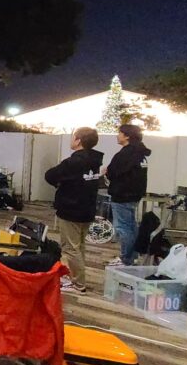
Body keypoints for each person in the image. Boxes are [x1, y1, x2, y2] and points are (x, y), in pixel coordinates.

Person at [45, 127, 103, 295]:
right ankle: (76, 277)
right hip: (87, 209)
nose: (72, 140)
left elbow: (50, 175)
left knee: (70, 248)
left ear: (78, 141)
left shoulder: (73, 162)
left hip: (71, 209)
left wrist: (60, 183)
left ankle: (78, 284)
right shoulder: (95, 160)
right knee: (79, 246)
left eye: (73, 137)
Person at [104, 124, 151, 267]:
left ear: (127, 136)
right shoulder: (140, 154)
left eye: (120, 133)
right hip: (134, 195)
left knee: (123, 228)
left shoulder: (125, 154)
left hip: (122, 195)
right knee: (131, 226)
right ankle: (132, 256)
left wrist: (107, 171)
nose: (117, 136)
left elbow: (113, 172)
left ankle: (126, 259)